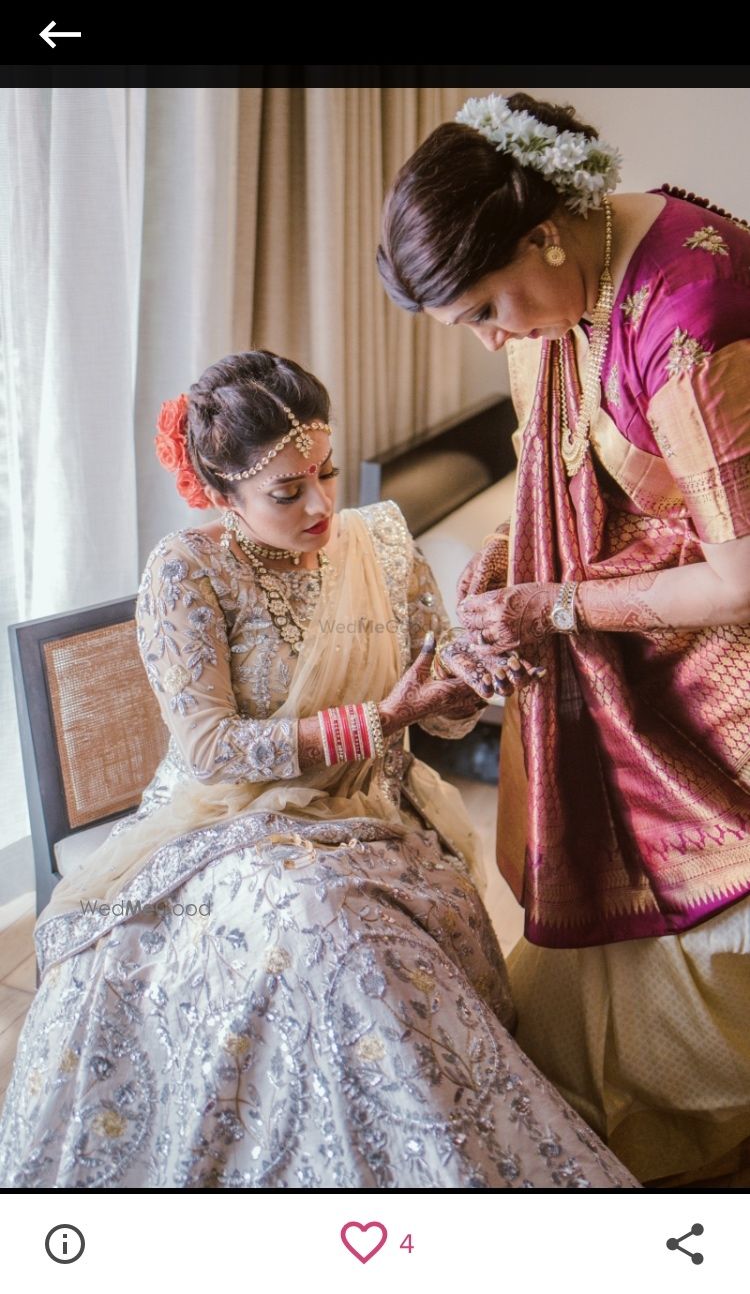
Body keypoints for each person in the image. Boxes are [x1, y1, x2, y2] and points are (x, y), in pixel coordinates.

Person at [0, 350, 636, 1189]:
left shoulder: (380, 542)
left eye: (326, 473)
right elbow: (212, 749)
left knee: (361, 937)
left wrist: (477, 677)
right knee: (322, 924)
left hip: (369, 808)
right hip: (227, 823)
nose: (322, 505)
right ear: (222, 493)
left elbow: (434, 705)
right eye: (286, 492)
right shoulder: (187, 572)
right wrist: (381, 718)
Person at [377, 91, 750, 1186]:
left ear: (544, 229)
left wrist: (561, 607)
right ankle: (613, 1138)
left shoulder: (690, 314)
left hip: (726, 661)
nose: (495, 338)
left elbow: (743, 571)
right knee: (566, 989)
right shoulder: (557, 295)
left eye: (491, 308)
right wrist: (498, 579)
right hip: (649, 636)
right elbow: (549, 476)